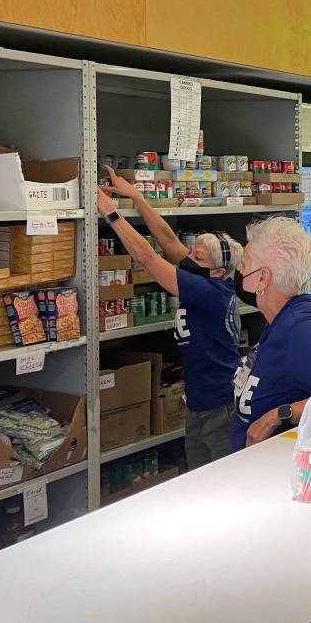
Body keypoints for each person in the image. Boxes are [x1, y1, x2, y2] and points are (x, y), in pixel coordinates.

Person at [97, 172, 242, 469]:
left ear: (217, 271)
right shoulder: (207, 276)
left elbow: (149, 258)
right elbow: (167, 240)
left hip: (220, 410)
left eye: (197, 257)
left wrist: (111, 213)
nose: (187, 259)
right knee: (202, 485)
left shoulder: (209, 291)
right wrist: (136, 197)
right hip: (201, 406)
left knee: (223, 489)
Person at [232, 217, 311, 449]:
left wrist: (280, 415)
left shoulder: (300, 328)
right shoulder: (282, 318)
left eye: (244, 263)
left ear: (262, 278)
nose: (239, 270)